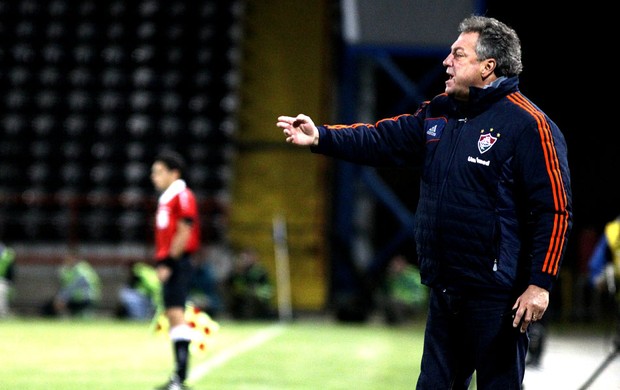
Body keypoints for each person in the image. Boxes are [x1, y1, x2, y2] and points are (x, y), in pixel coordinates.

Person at [277, 15, 572, 389]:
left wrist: (540, 284)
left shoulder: (530, 125)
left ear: (487, 66)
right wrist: (321, 136)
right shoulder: (439, 111)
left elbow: (555, 211)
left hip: (496, 297)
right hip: (446, 288)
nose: (446, 62)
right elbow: (380, 139)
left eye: (458, 55)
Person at [151, 150, 201, 390]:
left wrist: (169, 262)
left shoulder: (181, 195)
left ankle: (180, 376)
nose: (154, 177)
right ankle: (178, 376)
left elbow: (185, 230)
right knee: (173, 314)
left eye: (159, 172)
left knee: (176, 314)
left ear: (174, 173)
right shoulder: (167, 197)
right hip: (171, 261)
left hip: (178, 262)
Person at [41, 251, 101, 318]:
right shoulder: (73, 269)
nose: (66, 261)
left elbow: (72, 287)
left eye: (68, 259)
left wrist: (61, 298)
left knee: (51, 307)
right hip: (79, 298)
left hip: (84, 299)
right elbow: (65, 286)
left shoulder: (80, 271)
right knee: (50, 305)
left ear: (74, 259)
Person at [224, 247, 275, 320]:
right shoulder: (239, 272)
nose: (244, 260)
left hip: (261, 297)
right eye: (242, 258)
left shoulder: (259, 271)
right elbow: (236, 285)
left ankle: (250, 317)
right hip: (245, 296)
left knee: (250, 298)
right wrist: (238, 273)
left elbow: (260, 288)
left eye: (246, 258)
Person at [381, 254, 427, 325]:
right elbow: (392, 292)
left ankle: (404, 323)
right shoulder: (395, 277)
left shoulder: (412, 274)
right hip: (399, 302)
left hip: (413, 303)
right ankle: (389, 322)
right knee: (383, 299)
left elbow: (420, 292)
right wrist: (390, 279)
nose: (393, 267)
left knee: (395, 303)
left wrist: (408, 300)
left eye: (396, 265)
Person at [0, 243, 16, 317]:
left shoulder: (7, 253)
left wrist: (10, 283)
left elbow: (11, 272)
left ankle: (3, 313)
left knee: (1, 288)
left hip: (3, 281)